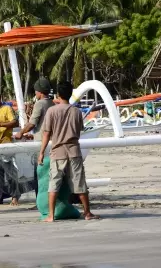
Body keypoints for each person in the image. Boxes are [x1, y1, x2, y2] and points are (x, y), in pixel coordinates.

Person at [38, 81, 99, 222]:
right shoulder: (76, 111)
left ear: (58, 95)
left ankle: (51, 215)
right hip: (73, 151)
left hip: (57, 151)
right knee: (79, 183)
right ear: (71, 94)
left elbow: (47, 133)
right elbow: (79, 130)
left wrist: (41, 152)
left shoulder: (51, 111)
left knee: (54, 183)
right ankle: (87, 213)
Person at [15, 77, 55, 199]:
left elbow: (32, 123)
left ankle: (40, 200)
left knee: (39, 173)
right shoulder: (52, 104)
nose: (35, 93)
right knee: (50, 173)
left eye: (36, 91)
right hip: (51, 142)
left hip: (40, 144)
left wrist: (20, 133)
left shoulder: (40, 104)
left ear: (40, 92)